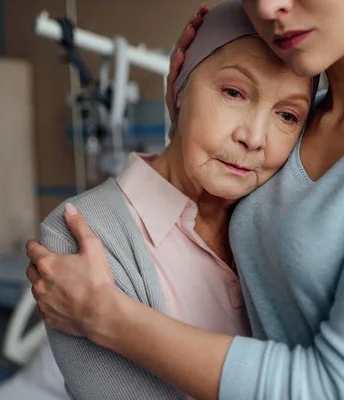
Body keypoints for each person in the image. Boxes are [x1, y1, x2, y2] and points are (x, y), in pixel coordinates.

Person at [26, 0, 344, 399]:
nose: (268, 8)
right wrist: (190, 117)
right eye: (232, 92)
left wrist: (107, 316)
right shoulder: (308, 118)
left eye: (284, 115)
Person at [28, 2, 314, 399]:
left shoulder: (279, 223)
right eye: (233, 92)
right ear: (178, 86)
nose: (255, 137)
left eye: (288, 116)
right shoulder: (79, 231)